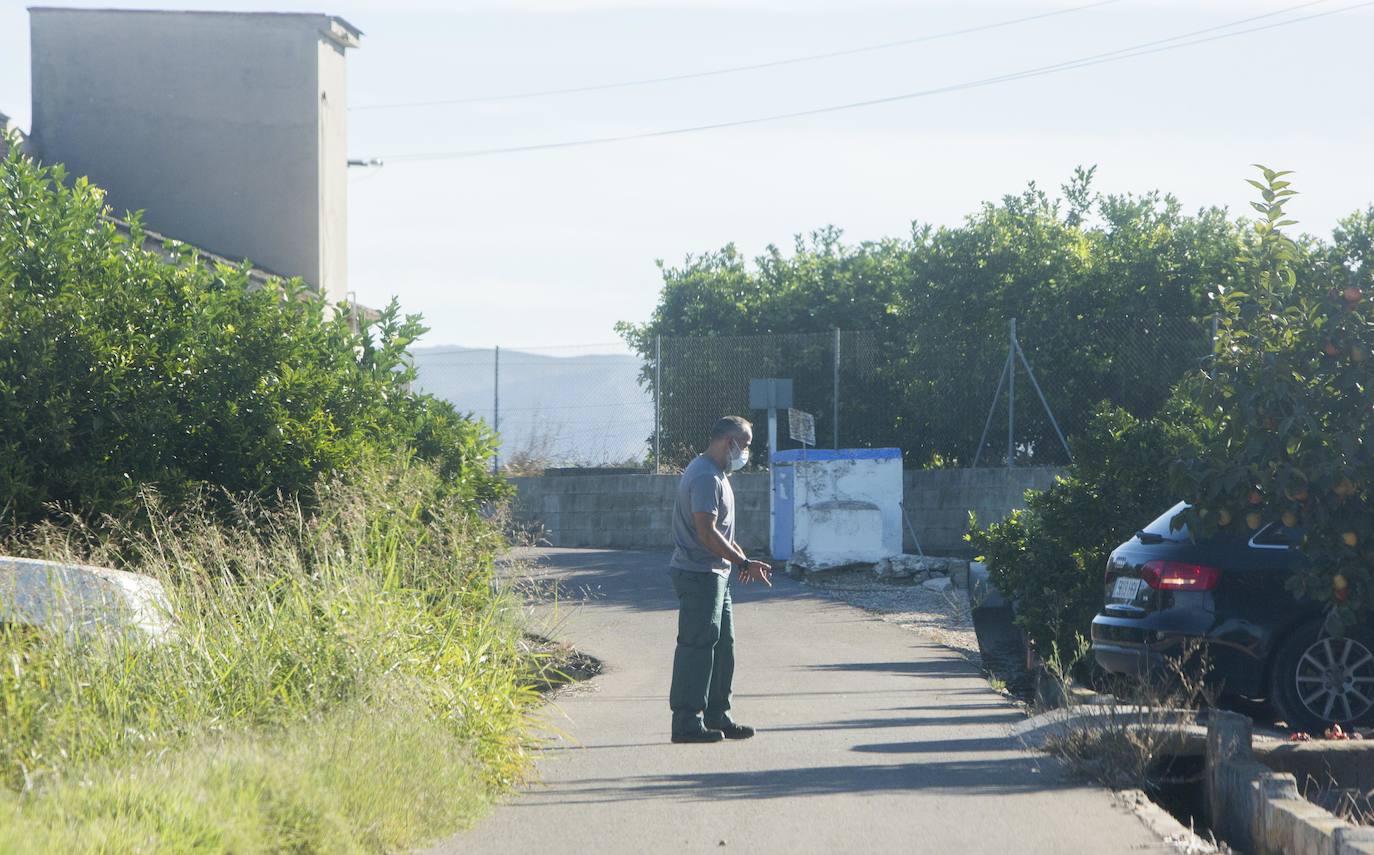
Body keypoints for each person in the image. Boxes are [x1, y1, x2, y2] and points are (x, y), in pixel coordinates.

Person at [668, 415, 773, 744]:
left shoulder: (717, 475)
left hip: (716, 574)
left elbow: (723, 533)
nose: (746, 453)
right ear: (729, 442)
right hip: (699, 573)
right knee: (697, 647)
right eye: (745, 445)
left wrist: (744, 560)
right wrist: (741, 560)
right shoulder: (704, 477)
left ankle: (717, 715)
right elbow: (706, 532)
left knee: (722, 647)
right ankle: (686, 721)